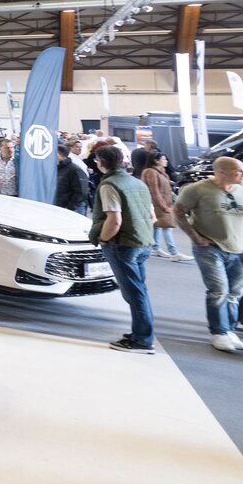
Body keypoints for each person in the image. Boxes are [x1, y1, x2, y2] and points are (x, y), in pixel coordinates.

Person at [175, 156, 243, 354]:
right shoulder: (196, 190)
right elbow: (178, 212)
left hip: (242, 250)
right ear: (221, 171)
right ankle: (218, 332)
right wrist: (195, 237)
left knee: (234, 294)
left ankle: (229, 330)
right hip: (210, 248)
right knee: (218, 290)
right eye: (238, 171)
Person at [91, 145, 157, 354]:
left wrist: (102, 238)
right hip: (142, 242)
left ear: (102, 162)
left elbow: (114, 220)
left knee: (134, 294)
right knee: (140, 291)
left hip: (122, 245)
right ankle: (141, 333)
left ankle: (142, 340)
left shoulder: (109, 185)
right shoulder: (137, 183)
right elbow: (152, 217)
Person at [139, 149, 182, 261]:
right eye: (163, 159)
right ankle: (174, 252)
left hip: (163, 202)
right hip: (158, 203)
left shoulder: (160, 171)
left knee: (158, 226)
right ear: (156, 161)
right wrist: (164, 206)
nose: (166, 161)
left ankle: (155, 248)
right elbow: (155, 191)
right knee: (168, 226)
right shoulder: (151, 172)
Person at [55, 143, 90, 216]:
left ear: (59, 154)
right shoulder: (56, 169)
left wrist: (70, 207)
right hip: (59, 207)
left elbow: (81, 191)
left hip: (72, 210)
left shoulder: (75, 170)